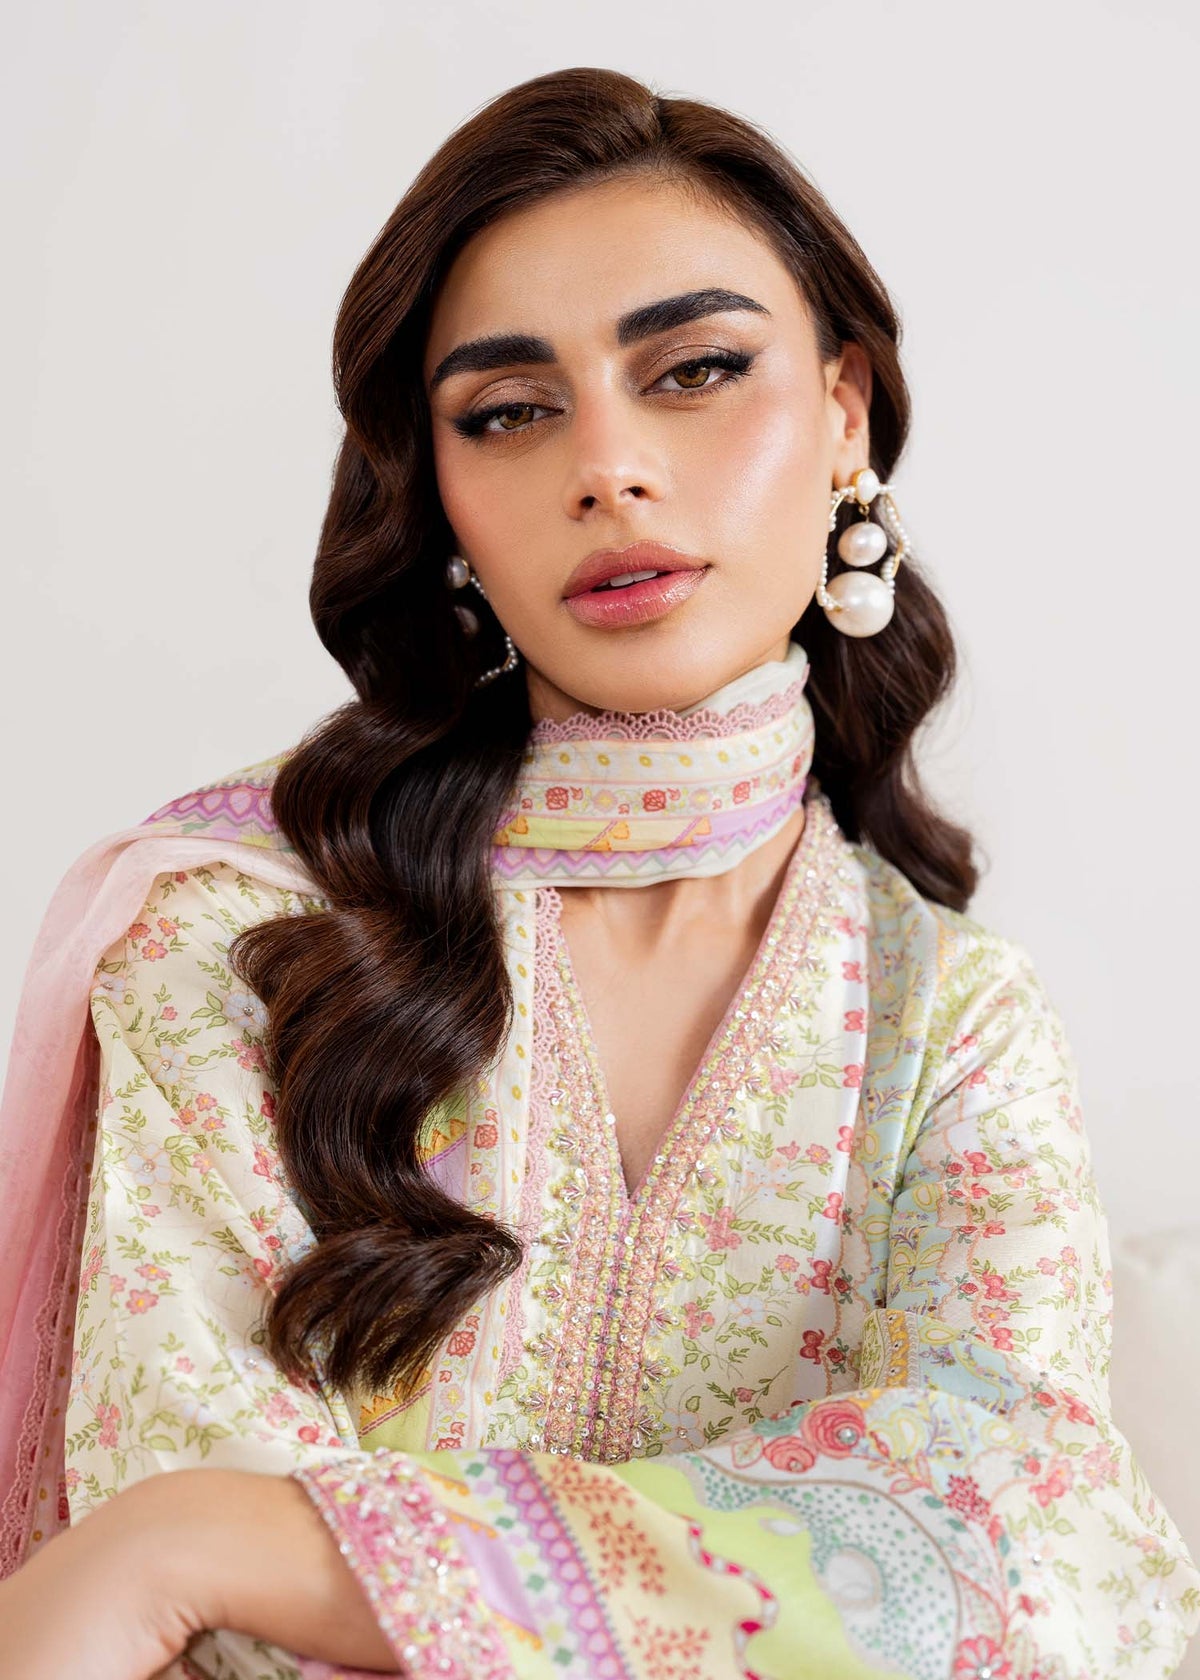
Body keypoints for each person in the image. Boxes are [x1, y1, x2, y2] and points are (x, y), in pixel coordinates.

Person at [0, 63, 1195, 1680]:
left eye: (695, 370)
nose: (608, 466)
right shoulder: (241, 940)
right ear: (441, 496)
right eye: (508, 410)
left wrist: (219, 1541)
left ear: (845, 412)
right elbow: (172, 1599)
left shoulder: (949, 1027)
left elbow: (1042, 1556)